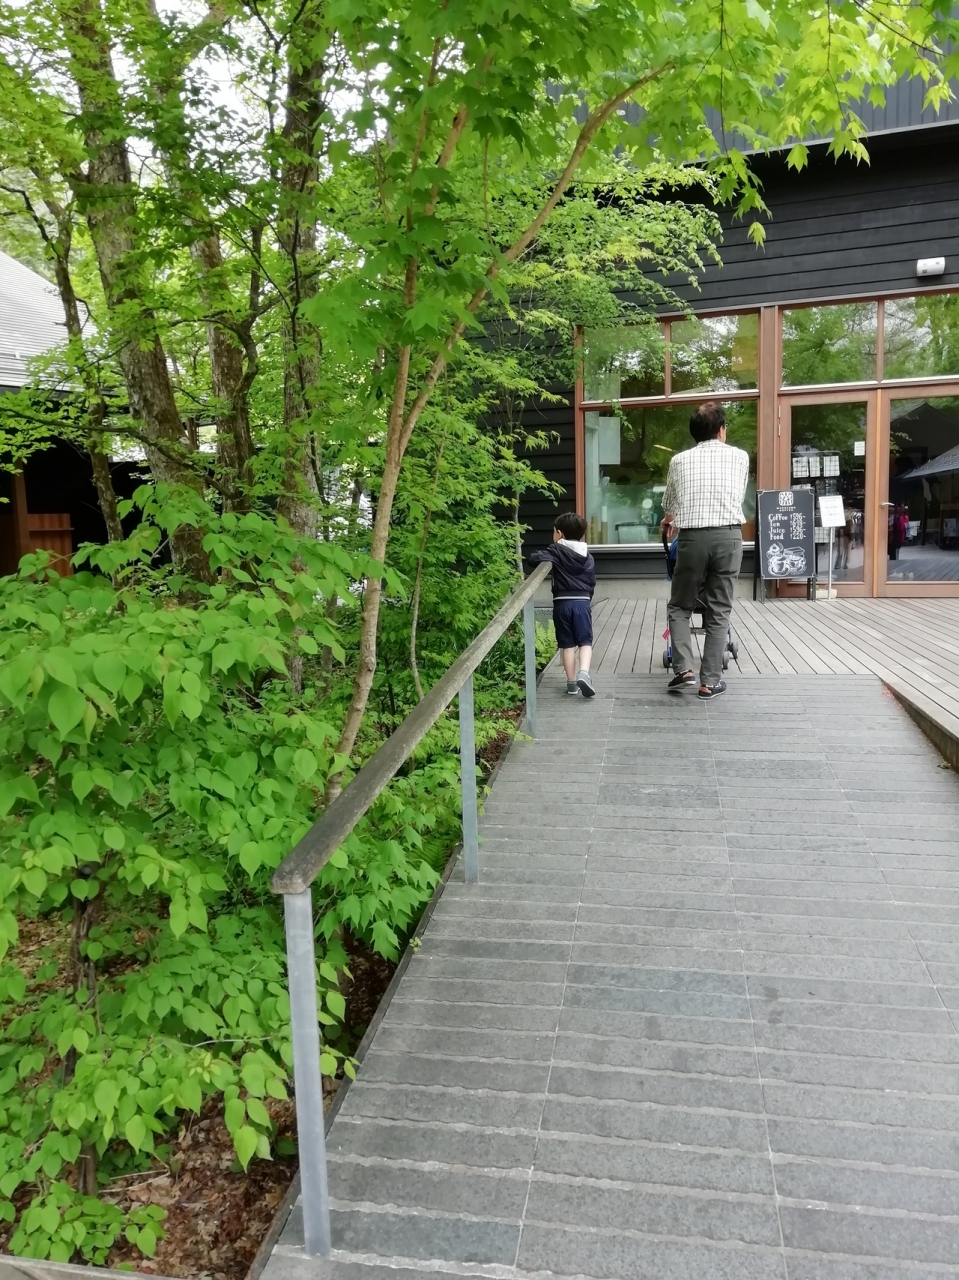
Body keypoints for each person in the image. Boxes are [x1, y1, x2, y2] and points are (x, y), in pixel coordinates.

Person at [660, 401, 749, 700]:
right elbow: (737, 495)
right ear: (721, 430)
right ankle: (709, 682)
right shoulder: (740, 457)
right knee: (719, 609)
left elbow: (670, 503)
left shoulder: (679, 461)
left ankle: (684, 669)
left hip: (692, 539)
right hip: (728, 537)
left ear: (694, 432)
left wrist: (668, 521)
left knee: (680, 605)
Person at [529, 512, 596, 697]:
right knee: (585, 641)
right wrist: (587, 598)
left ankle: (572, 684)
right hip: (582, 602)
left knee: (567, 644)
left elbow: (533, 558)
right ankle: (584, 673)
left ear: (559, 533)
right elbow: (591, 582)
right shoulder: (588, 556)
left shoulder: (556, 551)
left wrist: (550, 551)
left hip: (562, 603)